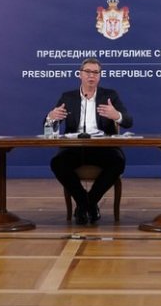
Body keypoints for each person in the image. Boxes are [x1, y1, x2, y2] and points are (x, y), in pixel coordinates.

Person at [45, 58, 133, 225]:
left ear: (99, 76)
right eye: (87, 72)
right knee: (57, 163)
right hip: (74, 147)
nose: (91, 76)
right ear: (80, 74)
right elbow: (48, 122)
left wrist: (117, 115)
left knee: (118, 162)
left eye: (95, 72)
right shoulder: (68, 97)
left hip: (102, 148)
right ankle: (88, 205)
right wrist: (51, 117)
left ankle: (85, 205)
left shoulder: (110, 95)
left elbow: (128, 121)